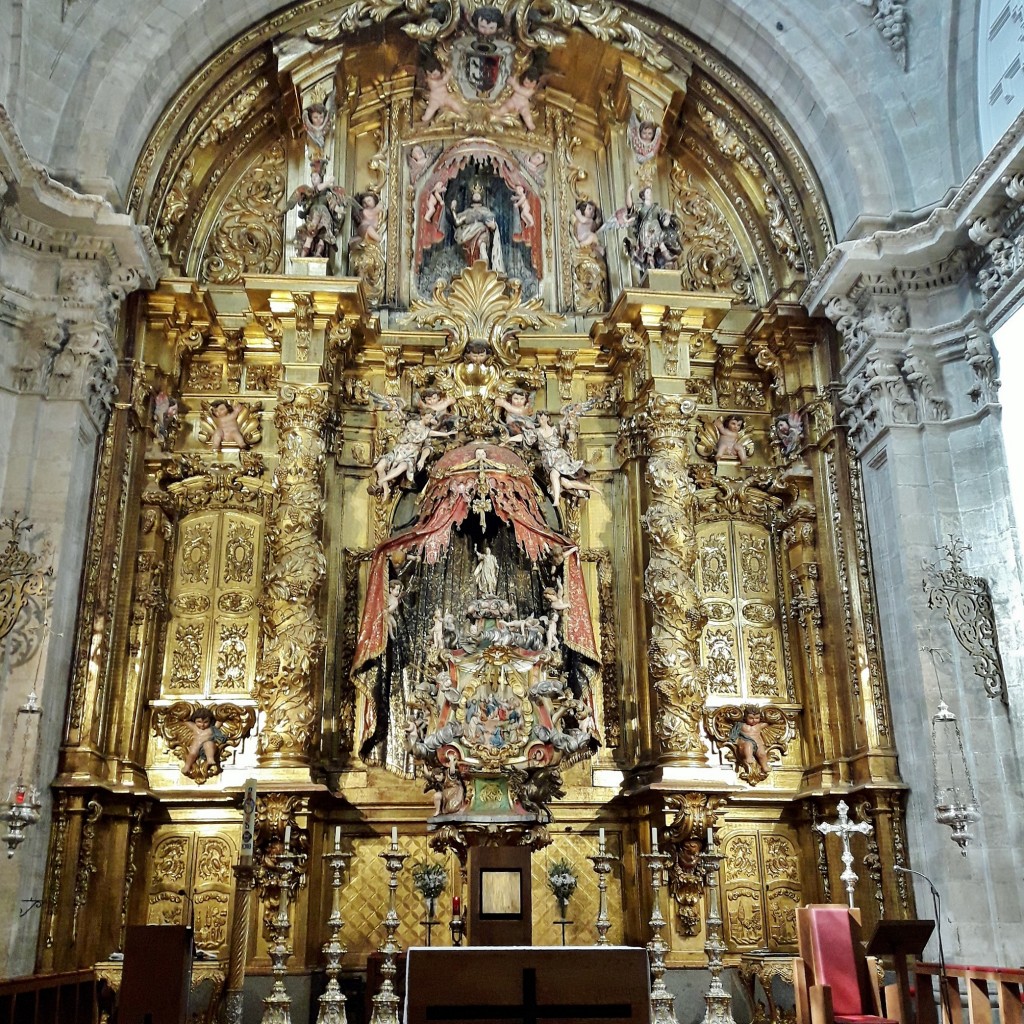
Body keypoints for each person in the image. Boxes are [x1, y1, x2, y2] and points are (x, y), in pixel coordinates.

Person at [451, 183, 504, 271]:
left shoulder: (486, 211)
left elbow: (491, 223)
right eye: (474, 193)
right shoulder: (467, 212)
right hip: (469, 234)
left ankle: (485, 266)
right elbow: (457, 222)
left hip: (482, 232)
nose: (476, 195)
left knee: (482, 246)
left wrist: (494, 227)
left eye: (478, 193)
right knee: (474, 252)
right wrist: (453, 210)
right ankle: (476, 267)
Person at [729, 708, 771, 774]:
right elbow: (732, 720)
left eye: (757, 718)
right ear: (745, 717)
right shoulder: (742, 725)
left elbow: (769, 722)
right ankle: (748, 757)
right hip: (746, 741)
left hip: (758, 743)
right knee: (748, 745)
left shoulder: (759, 726)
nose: (754, 720)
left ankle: (764, 766)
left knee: (762, 754)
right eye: (751, 718)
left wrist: (769, 717)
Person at [181, 708, 223, 776]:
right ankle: (187, 766)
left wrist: (221, 714)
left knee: (208, 744)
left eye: (206, 722)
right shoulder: (194, 727)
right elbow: (184, 721)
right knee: (192, 753)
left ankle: (210, 759)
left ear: (210, 721)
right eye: (199, 722)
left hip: (207, 745)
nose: (202, 725)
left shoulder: (212, 728)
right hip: (196, 744)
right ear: (194, 721)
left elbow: (220, 721)